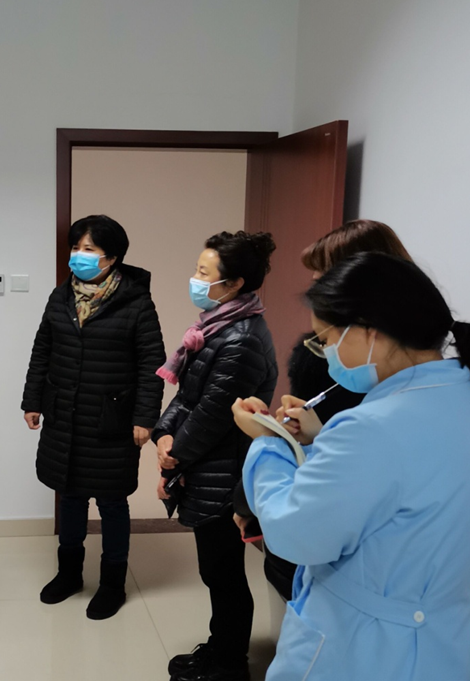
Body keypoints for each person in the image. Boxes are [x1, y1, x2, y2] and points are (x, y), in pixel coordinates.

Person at [233, 253, 470, 681]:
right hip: (442, 640)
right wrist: (322, 439)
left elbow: (295, 533)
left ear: (371, 330)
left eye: (326, 340)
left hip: (361, 647)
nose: (326, 355)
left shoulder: (372, 427)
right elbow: (404, 489)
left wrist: (268, 445)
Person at [232, 219, 413, 600]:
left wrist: (268, 442)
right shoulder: (379, 374)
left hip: (339, 562)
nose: (314, 289)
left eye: (323, 278)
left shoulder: (388, 403)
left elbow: (301, 524)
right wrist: (310, 433)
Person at [22, 215, 165, 620]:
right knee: (69, 497)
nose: (78, 256)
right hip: (64, 415)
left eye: (89, 249)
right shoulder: (61, 296)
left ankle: (112, 584)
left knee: (111, 501)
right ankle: (69, 574)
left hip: (111, 420)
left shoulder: (137, 302)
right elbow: (42, 350)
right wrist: (32, 400)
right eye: (75, 247)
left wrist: (145, 418)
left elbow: (152, 365)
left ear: (112, 258)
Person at [154, 231, 278, 681]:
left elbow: (213, 414)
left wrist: (175, 454)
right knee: (216, 571)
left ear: (234, 284)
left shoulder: (241, 338)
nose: (195, 279)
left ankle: (228, 665)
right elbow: (189, 397)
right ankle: (221, 647)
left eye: (203, 273)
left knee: (223, 574)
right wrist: (164, 434)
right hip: (208, 466)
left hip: (225, 475)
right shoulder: (216, 326)